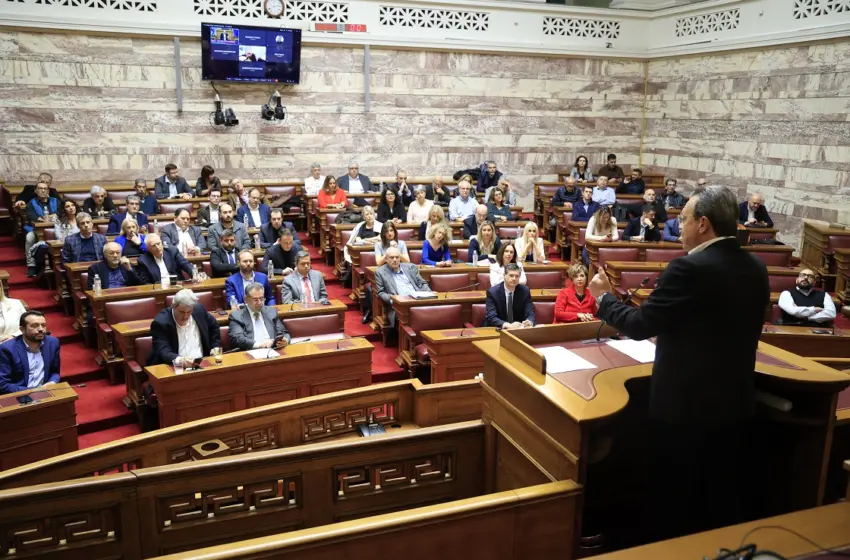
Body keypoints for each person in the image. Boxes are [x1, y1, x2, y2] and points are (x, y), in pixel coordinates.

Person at [588, 185, 770, 540]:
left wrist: (604, 298)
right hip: (735, 404)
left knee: (675, 503)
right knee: (717, 498)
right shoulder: (756, 267)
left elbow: (640, 325)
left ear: (703, 224)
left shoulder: (688, 268)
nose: (679, 225)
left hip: (685, 410)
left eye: (684, 219)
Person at [148, 289, 220, 367]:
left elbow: (214, 326)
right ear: (173, 306)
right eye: (182, 312)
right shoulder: (161, 323)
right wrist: (180, 360)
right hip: (174, 367)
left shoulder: (199, 311)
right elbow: (163, 351)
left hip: (202, 363)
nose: (186, 316)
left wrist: (214, 346)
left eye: (189, 312)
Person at [0, 311, 61, 395]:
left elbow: (55, 372)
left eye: (43, 325)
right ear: (22, 329)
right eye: (34, 326)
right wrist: (33, 392)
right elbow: (2, 384)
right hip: (18, 395)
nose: (41, 329)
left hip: (45, 393)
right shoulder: (7, 349)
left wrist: (53, 381)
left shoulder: (53, 343)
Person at [374, 247, 431, 327]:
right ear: (386, 259)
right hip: (399, 307)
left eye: (397, 257)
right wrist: (394, 300)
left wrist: (429, 294)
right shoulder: (380, 272)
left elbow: (422, 283)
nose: (395, 260)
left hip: (418, 301)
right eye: (391, 257)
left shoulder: (410, 267)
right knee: (416, 317)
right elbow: (381, 292)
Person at [229, 282, 290, 350]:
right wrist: (259, 345)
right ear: (246, 299)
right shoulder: (237, 316)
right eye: (255, 300)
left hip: (273, 349)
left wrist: (285, 340)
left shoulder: (271, 312)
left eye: (261, 299)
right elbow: (237, 338)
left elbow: (284, 333)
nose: (259, 303)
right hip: (251, 351)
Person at [24, 181, 60, 276]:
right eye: (40, 188)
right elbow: (32, 217)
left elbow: (60, 213)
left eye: (45, 189)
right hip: (37, 229)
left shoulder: (55, 201)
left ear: (48, 191)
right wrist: (41, 218)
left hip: (55, 228)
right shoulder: (31, 203)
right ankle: (31, 266)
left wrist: (53, 216)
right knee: (29, 238)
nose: (43, 190)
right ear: (36, 190)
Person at [485, 264, 534, 329]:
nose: (514, 279)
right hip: (498, 328)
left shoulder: (525, 291)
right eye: (511, 275)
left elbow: (530, 312)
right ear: (504, 275)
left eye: (517, 276)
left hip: (518, 329)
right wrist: (507, 325)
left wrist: (529, 322)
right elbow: (491, 317)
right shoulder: (493, 292)